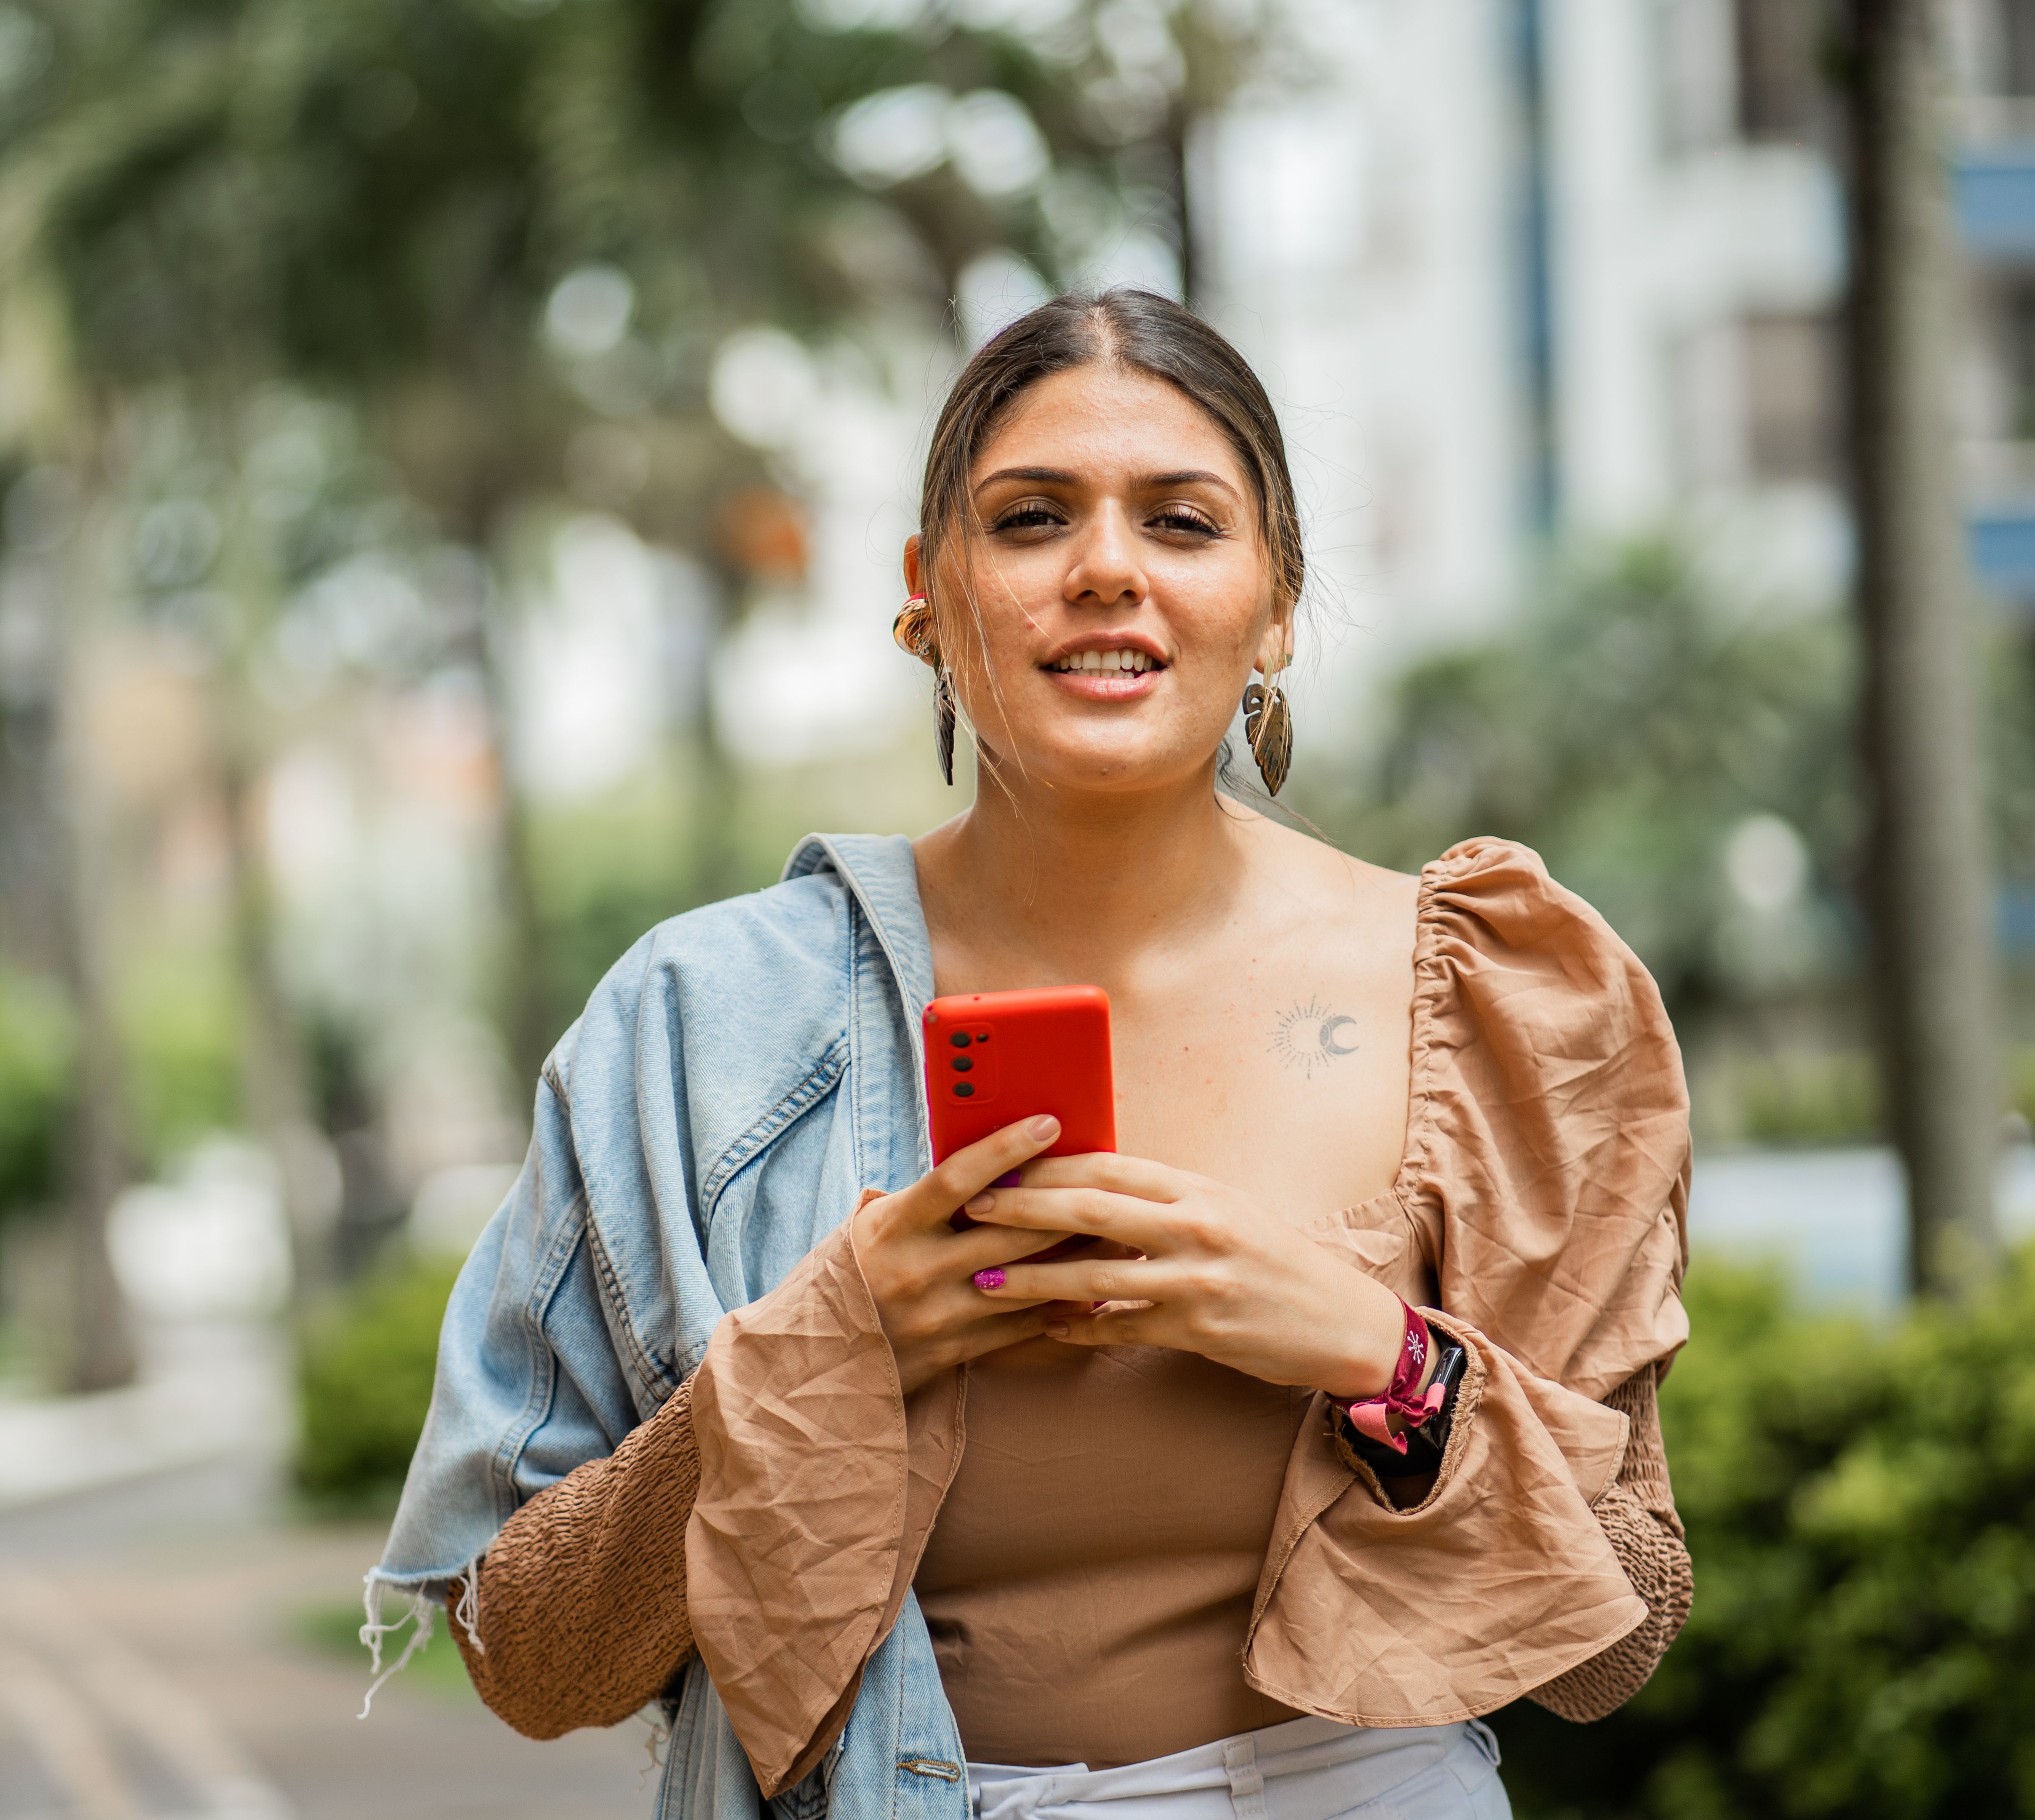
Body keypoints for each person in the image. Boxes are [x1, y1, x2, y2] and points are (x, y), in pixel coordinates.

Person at [367, 290, 1691, 1820]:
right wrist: (833, 1347)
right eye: (1032, 518)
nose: (1108, 569)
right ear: (928, 598)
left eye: (1182, 522)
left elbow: (1622, 1633)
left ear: (1276, 601)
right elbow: (526, 1658)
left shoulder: (1480, 995)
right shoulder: (706, 1024)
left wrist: (1375, 1353)